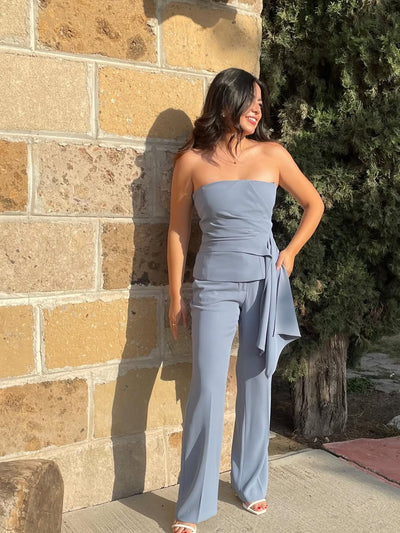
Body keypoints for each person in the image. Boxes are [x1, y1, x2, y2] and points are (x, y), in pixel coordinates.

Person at [167, 67, 324, 533]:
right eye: (249, 101)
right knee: (207, 390)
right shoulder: (191, 162)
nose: (258, 109)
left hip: (263, 281)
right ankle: (193, 504)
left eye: (260, 102)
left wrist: (289, 254)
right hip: (212, 285)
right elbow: (178, 230)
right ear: (225, 102)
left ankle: (251, 483)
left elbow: (314, 204)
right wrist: (175, 294)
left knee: (257, 384)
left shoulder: (273, 154)